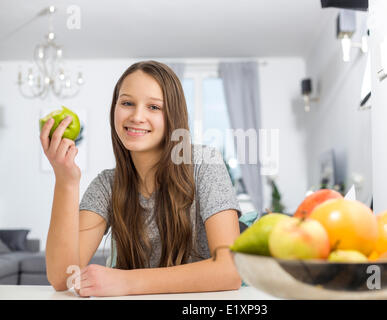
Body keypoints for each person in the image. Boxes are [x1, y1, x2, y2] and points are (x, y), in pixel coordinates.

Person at [40, 60, 242, 297]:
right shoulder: (107, 185)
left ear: (173, 116)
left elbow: (230, 270)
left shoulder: (205, 164)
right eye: (127, 103)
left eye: (154, 107)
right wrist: (66, 181)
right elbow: (62, 278)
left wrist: (126, 282)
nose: (137, 116)